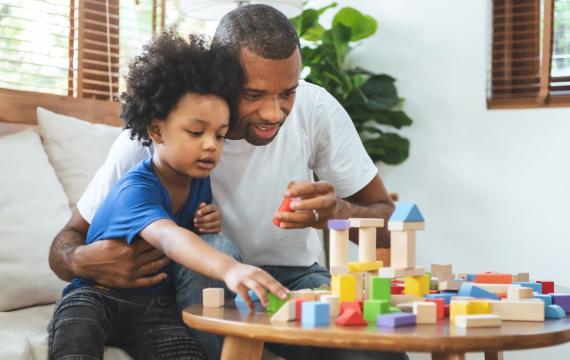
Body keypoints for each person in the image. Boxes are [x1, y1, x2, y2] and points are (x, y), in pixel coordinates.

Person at [49, 4, 406, 360]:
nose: (274, 112)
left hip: (294, 280)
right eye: (254, 95)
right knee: (214, 244)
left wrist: (337, 213)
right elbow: (66, 243)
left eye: (287, 92)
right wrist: (83, 261)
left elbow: (389, 225)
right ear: (222, 78)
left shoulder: (316, 109)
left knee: (380, 351)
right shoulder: (160, 137)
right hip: (208, 282)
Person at [48, 31, 288, 360]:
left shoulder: (198, 178)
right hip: (94, 297)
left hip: (152, 306)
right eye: (196, 132)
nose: (210, 145)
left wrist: (207, 221)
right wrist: (230, 269)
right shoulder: (136, 187)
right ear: (156, 130)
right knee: (75, 342)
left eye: (219, 136)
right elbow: (169, 237)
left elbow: (186, 233)